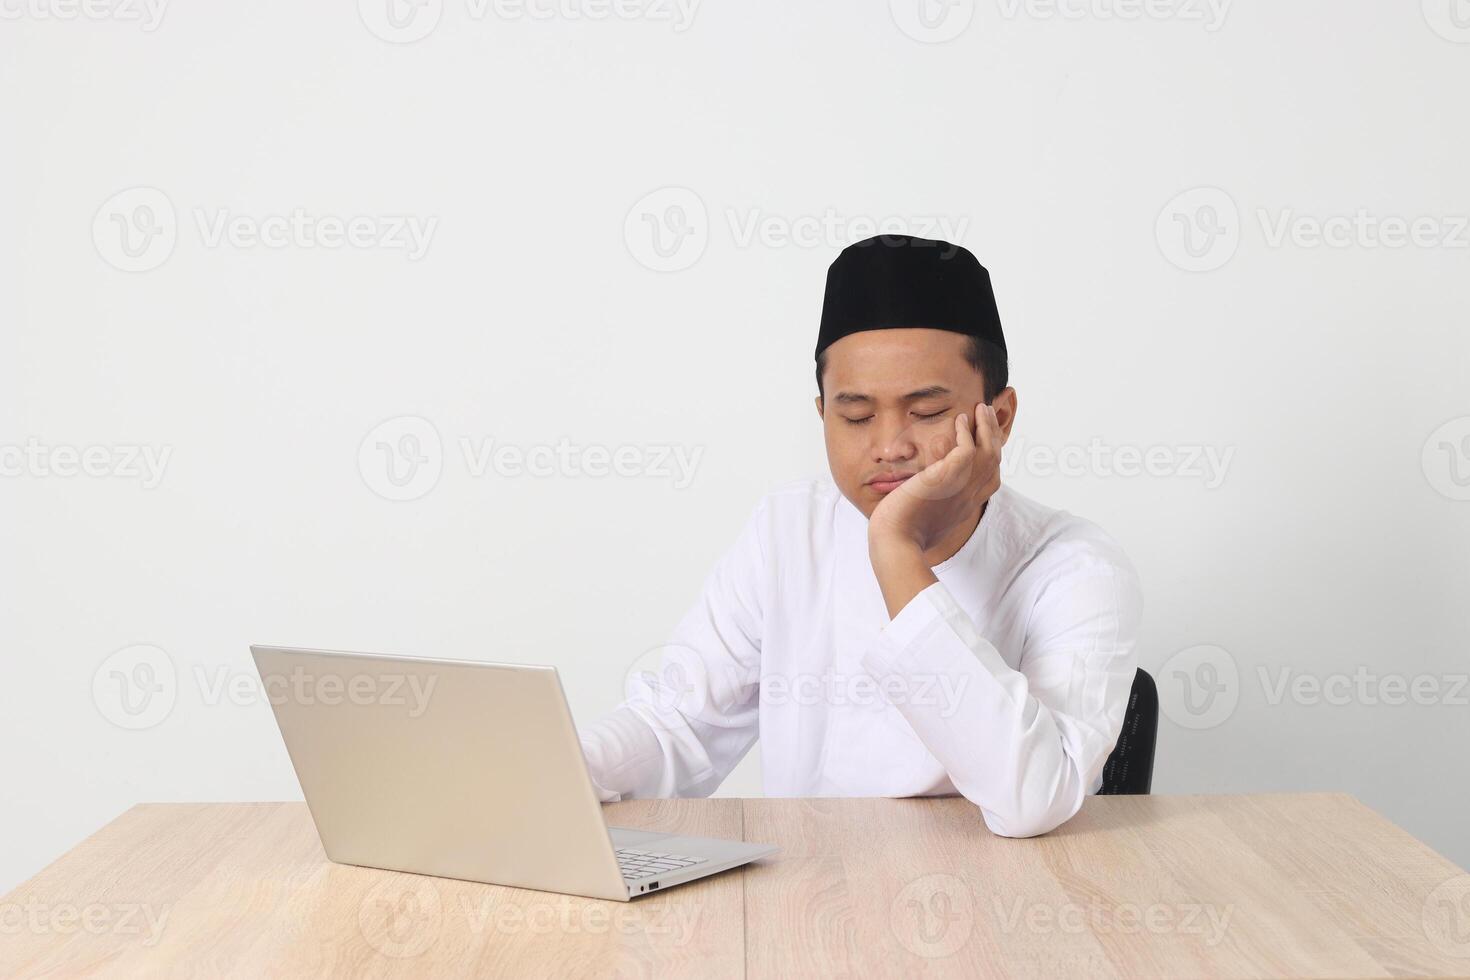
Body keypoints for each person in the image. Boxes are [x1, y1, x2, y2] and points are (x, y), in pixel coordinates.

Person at [578, 234, 1142, 838]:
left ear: (998, 418)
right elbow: (676, 727)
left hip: (998, 908)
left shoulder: (1075, 567)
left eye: (925, 413)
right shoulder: (787, 529)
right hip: (807, 896)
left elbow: (1034, 797)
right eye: (856, 416)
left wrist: (896, 548)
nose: (889, 446)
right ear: (823, 415)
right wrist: (560, 768)